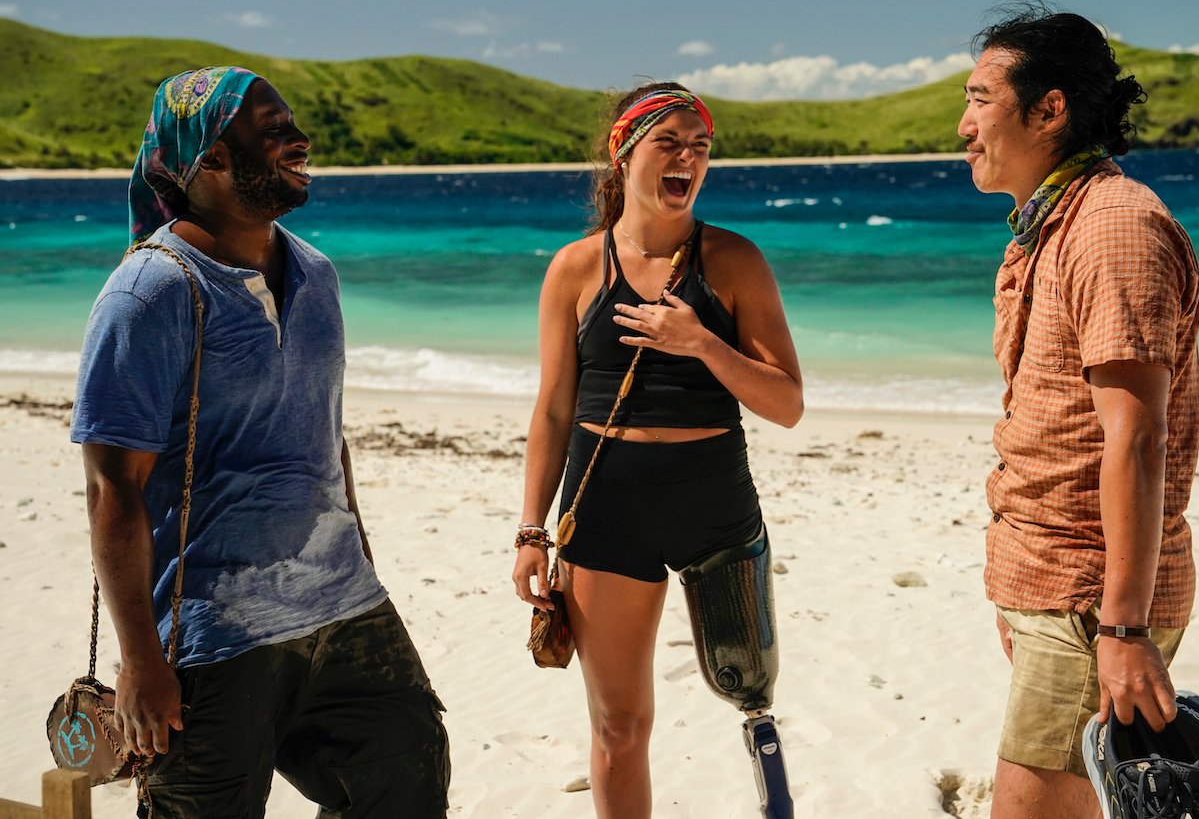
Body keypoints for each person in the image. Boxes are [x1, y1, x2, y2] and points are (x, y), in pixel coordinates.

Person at [71, 67, 449, 817]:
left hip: (344, 607)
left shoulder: (316, 273)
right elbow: (114, 489)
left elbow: (326, 435)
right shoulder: (150, 293)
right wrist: (142, 660)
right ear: (209, 159)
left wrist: (362, 560)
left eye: (292, 124)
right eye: (272, 131)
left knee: (409, 776)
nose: (299, 141)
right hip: (214, 634)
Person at [511, 83, 803, 818]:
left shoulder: (734, 260)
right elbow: (551, 410)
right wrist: (530, 530)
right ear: (624, 151)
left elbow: (787, 403)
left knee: (751, 692)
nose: (688, 158)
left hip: (716, 504)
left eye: (700, 146)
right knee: (618, 724)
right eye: (668, 142)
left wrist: (701, 343)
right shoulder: (576, 269)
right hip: (608, 509)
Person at [957, 4, 1199, 819]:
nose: (963, 125)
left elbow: (1137, 437)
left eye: (980, 98)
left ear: (1049, 109)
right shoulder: (1048, 226)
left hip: (1091, 598)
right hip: (1054, 589)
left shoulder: (1112, 228)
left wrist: (1122, 631)